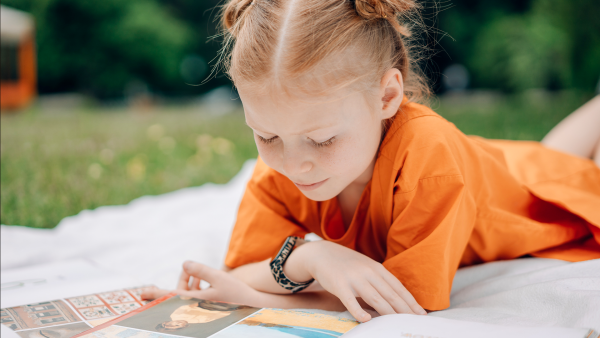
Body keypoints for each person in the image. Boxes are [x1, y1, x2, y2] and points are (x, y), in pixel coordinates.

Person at [142, 0, 600, 322]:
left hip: (517, 195)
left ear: (387, 97)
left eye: (322, 139)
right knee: (548, 154)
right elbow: (243, 268)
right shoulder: (280, 168)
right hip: (499, 163)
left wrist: (263, 298)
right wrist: (310, 257)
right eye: (267, 135)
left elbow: (401, 305)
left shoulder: (431, 161)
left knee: (569, 171)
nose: (295, 163)